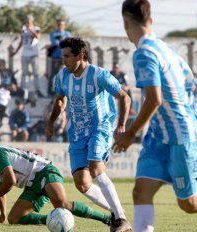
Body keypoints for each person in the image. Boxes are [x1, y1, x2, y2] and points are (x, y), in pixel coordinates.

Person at [114, 1, 197, 232]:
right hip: (158, 137)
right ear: (151, 20)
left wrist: (130, 134)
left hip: (180, 139)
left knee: (190, 204)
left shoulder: (144, 53)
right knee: (140, 192)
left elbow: (154, 99)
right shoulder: (166, 49)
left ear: (126, 23)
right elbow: (190, 84)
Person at [45, 37, 132, 232]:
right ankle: (117, 213)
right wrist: (51, 121)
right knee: (82, 183)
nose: (63, 61)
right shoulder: (62, 76)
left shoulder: (98, 75)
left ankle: (121, 219)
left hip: (99, 127)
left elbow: (124, 97)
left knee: (95, 166)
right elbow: (60, 100)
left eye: (67, 56)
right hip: (76, 133)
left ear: (81, 55)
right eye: (62, 57)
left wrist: (121, 125)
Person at [0, 132, 112, 227]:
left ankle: (108, 219)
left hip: (44, 171)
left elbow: (10, 181)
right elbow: (1, 189)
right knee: (14, 218)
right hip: (31, 185)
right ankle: (52, 221)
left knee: (62, 204)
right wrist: (3, 214)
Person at [12, 15, 43, 97]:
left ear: (32, 21)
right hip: (25, 55)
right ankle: (23, 90)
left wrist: (31, 29)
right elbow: (21, 41)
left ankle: (37, 90)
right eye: (26, 21)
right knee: (24, 73)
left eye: (29, 21)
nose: (27, 22)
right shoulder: (23, 30)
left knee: (35, 73)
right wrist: (15, 52)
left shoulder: (36, 28)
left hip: (34, 54)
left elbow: (38, 37)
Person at [48, 19, 71, 95]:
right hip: (56, 57)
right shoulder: (53, 34)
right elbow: (55, 43)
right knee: (53, 75)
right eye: (59, 25)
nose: (60, 26)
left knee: (65, 74)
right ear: (57, 25)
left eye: (62, 25)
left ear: (64, 26)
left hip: (65, 58)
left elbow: (69, 44)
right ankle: (49, 91)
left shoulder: (67, 34)